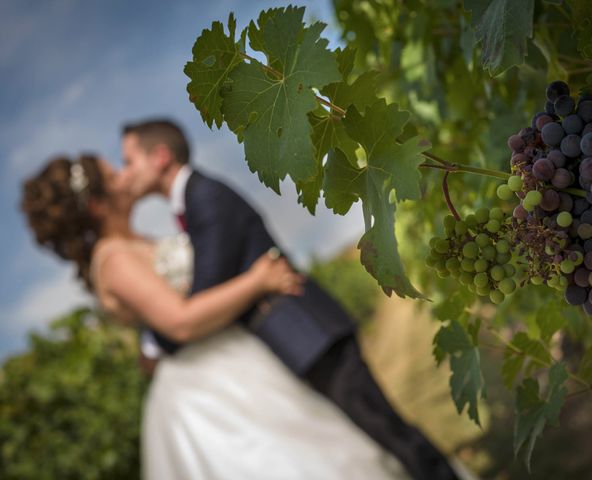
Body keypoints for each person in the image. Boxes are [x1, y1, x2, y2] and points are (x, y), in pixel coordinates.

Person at [21, 154, 411, 479]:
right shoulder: (114, 259)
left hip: (238, 355)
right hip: (209, 381)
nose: (124, 177)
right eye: (113, 175)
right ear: (97, 204)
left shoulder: (130, 245)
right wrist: (257, 282)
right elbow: (180, 321)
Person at [119, 118, 459, 480]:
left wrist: (156, 341)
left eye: (129, 161)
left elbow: (207, 286)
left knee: (387, 431)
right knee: (375, 436)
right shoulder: (195, 199)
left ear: (159, 157)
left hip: (308, 333)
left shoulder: (204, 196)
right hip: (296, 338)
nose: (125, 174)